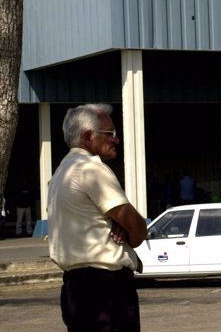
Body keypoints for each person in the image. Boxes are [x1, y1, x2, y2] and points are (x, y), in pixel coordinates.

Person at [47, 103, 148, 332]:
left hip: (75, 288)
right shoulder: (90, 169)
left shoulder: (61, 172)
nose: (116, 139)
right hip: (106, 289)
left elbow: (93, 220)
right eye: (109, 133)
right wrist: (126, 229)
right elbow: (139, 229)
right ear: (87, 136)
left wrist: (115, 224)